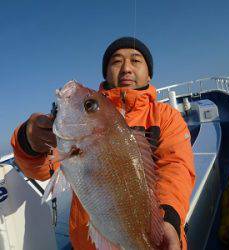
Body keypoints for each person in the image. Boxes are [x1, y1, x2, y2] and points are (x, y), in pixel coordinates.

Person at [11, 37, 195, 250]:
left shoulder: (166, 117)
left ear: (149, 73)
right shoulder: (73, 134)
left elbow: (176, 168)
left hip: (153, 239)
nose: (126, 68)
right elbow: (42, 171)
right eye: (116, 61)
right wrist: (29, 140)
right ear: (106, 73)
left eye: (136, 60)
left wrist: (168, 219)